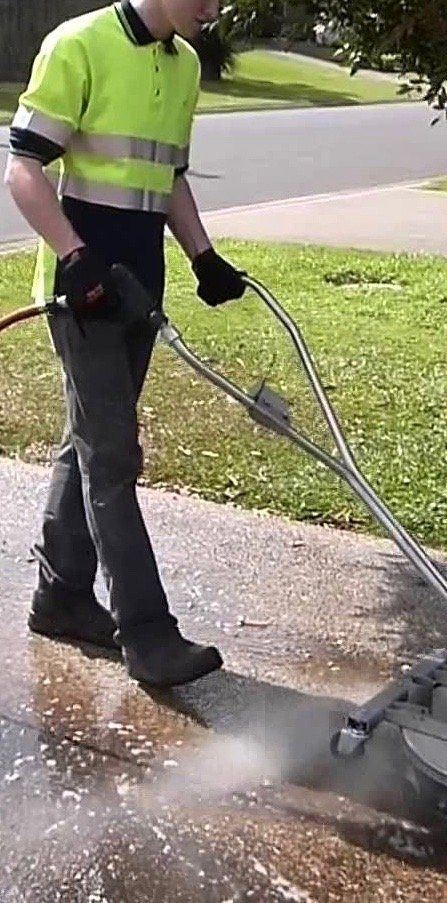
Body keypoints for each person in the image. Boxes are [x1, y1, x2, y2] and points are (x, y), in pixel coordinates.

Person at [4, 0, 246, 687]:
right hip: (82, 293)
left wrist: (202, 255)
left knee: (86, 443)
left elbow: (167, 176)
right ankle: (147, 633)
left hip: (141, 286)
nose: (214, 7)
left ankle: (60, 596)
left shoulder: (185, 64)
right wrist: (73, 256)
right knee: (112, 455)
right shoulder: (78, 45)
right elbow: (23, 169)